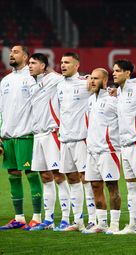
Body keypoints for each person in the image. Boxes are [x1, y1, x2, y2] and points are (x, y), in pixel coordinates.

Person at [25, 53, 71, 231]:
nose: (29, 66)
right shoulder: (31, 84)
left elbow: (72, 79)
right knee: (45, 177)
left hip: (52, 133)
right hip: (38, 135)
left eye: (33, 63)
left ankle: (66, 218)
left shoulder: (53, 79)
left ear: (43, 66)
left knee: (59, 176)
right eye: (29, 63)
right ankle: (48, 219)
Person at [0, 45, 43, 230]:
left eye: (15, 52)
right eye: (11, 52)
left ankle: (37, 217)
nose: (11, 54)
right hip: (8, 136)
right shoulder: (5, 80)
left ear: (25, 57)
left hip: (27, 135)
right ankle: (19, 217)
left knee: (32, 175)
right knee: (13, 176)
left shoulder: (32, 79)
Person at [57, 52, 95, 232]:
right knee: (72, 179)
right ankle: (78, 221)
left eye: (67, 62)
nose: (63, 65)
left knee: (86, 179)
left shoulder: (86, 84)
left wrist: (90, 77)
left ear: (77, 65)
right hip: (65, 139)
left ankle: (93, 220)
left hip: (82, 139)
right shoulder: (58, 85)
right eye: (62, 62)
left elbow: (103, 86)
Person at [113, 59, 136, 234]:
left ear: (128, 73)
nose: (114, 73)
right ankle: (133, 224)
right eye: (113, 70)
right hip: (124, 147)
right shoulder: (118, 92)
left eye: (118, 71)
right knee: (131, 187)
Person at [82, 68, 122, 234]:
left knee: (112, 187)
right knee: (95, 186)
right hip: (92, 151)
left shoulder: (114, 101)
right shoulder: (91, 99)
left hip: (109, 150)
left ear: (105, 81)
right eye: (91, 78)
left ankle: (114, 224)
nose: (92, 81)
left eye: (96, 79)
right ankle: (102, 223)